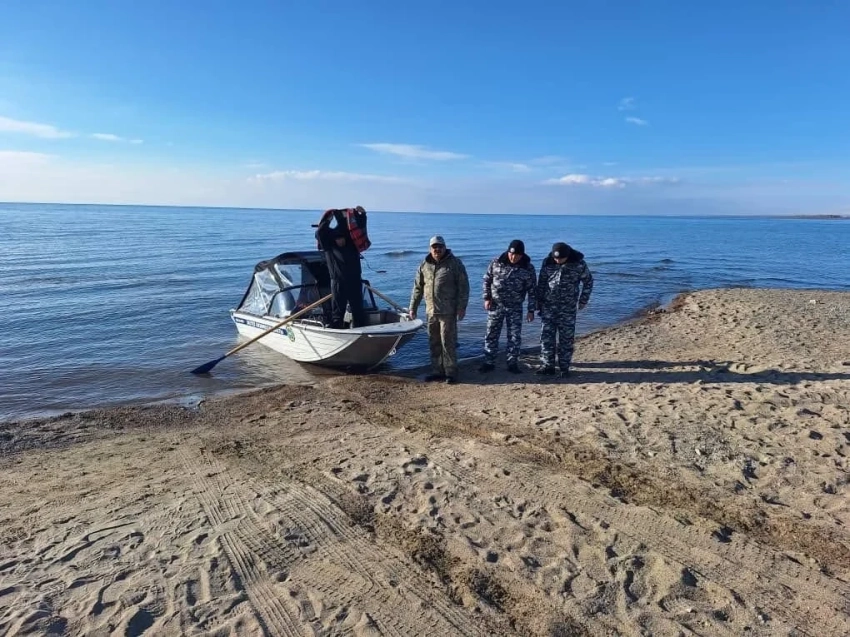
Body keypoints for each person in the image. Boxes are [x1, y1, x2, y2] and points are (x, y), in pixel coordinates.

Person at [409, 235, 470, 384]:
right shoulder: (424, 265)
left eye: (440, 246)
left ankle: (451, 373)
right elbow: (417, 288)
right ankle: (437, 371)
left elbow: (463, 287)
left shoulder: (455, 264)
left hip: (448, 312)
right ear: (430, 248)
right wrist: (413, 307)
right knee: (434, 343)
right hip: (431, 312)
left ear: (445, 247)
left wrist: (462, 307)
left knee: (448, 343)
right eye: (434, 247)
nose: (437, 249)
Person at [536, 241, 593, 378]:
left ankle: (564, 367)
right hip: (549, 307)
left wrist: (583, 300)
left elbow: (588, 282)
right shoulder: (547, 262)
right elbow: (542, 282)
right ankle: (547, 366)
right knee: (546, 338)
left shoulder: (579, 264)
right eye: (556, 258)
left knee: (566, 339)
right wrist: (538, 302)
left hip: (568, 308)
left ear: (567, 256)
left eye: (561, 258)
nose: (558, 261)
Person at [479, 239, 537, 374]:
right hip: (496, 305)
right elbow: (487, 280)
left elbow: (532, 290)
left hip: (515, 306)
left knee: (514, 336)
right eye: (511, 254)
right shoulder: (496, 262)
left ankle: (512, 363)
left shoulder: (528, 268)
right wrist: (487, 298)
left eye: (517, 255)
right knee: (491, 334)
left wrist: (531, 310)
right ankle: (489, 362)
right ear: (508, 251)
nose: (513, 257)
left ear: (522, 255)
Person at [315, 208, 367, 328]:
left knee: (358, 312)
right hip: (338, 282)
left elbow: (360, 228)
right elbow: (320, 233)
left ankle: (361, 331)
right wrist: (329, 217)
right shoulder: (328, 244)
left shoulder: (352, 242)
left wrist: (362, 215)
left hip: (354, 280)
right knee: (338, 314)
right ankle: (337, 330)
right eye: (337, 238)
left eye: (342, 237)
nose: (340, 240)